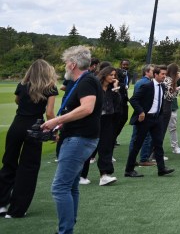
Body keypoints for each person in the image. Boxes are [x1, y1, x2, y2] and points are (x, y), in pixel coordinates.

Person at [41, 46, 103, 234]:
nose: (65, 66)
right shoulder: (84, 81)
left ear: (73, 64)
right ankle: (68, 228)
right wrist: (60, 127)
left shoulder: (86, 81)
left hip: (79, 139)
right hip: (78, 137)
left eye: (66, 63)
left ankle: (65, 231)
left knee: (60, 188)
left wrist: (56, 120)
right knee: (71, 186)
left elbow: (87, 108)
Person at [0, 59, 58, 218]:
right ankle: (16, 210)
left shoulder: (22, 85)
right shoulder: (50, 88)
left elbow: (17, 101)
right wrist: (55, 131)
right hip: (35, 128)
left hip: (17, 126)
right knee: (29, 168)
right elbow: (50, 113)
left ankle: (1, 204)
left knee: (9, 163)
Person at [124, 65, 175, 179]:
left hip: (157, 119)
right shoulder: (146, 86)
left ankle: (161, 169)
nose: (164, 76)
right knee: (137, 144)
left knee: (158, 144)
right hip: (145, 119)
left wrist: (160, 115)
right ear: (155, 74)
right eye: (162, 74)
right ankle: (129, 170)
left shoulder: (162, 87)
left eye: (165, 74)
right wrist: (141, 112)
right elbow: (133, 99)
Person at [80, 66, 120, 186]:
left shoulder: (112, 89)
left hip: (108, 119)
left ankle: (105, 175)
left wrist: (116, 89)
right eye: (111, 75)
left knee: (106, 146)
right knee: (88, 148)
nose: (113, 77)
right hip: (94, 119)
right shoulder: (95, 87)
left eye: (115, 75)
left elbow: (117, 104)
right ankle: (81, 175)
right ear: (104, 75)